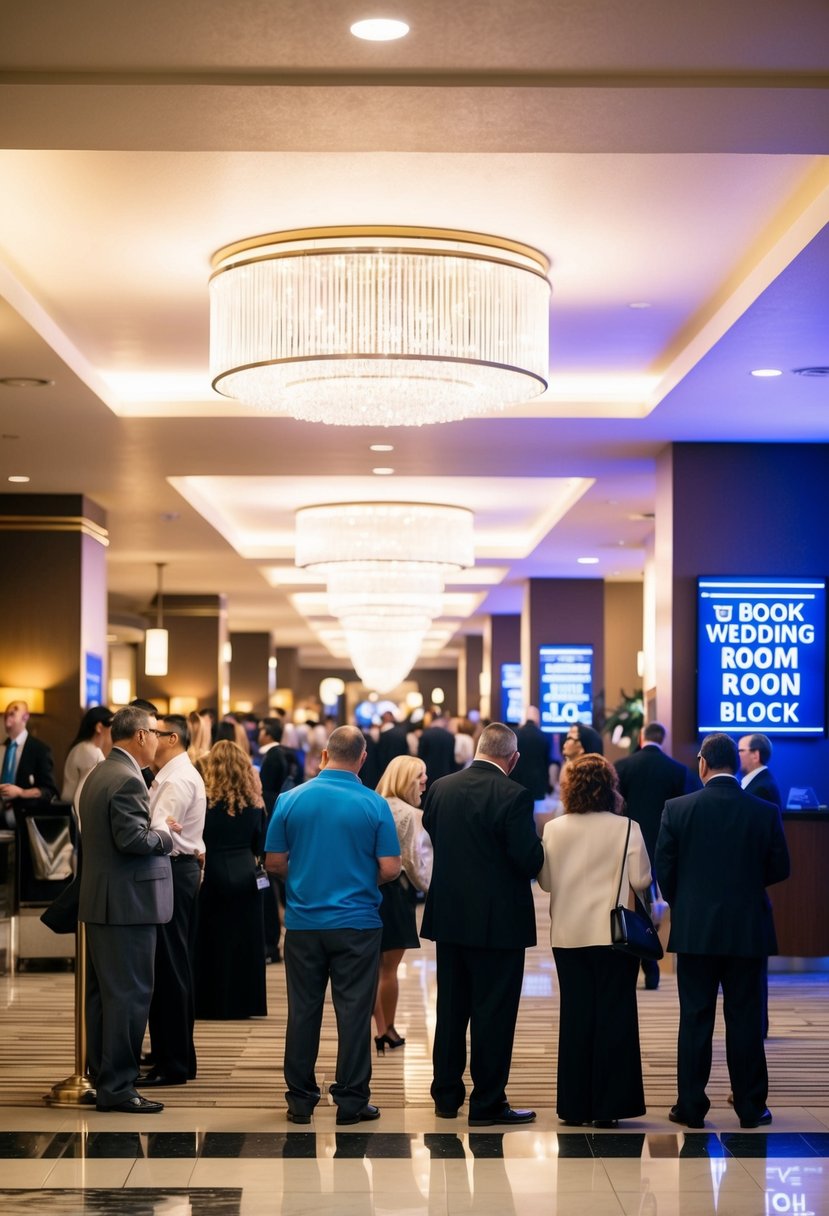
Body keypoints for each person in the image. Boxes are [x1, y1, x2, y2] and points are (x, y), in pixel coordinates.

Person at [265, 725, 400, 1125]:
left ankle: (301, 1100)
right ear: (362, 759)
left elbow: (273, 862)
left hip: (304, 923)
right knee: (354, 1012)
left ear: (324, 755)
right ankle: (352, 1100)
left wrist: (307, 877)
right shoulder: (375, 804)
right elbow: (391, 868)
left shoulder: (290, 799)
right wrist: (359, 879)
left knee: (303, 1011)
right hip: (357, 923)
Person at [655, 732, 790, 1130]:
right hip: (748, 930)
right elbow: (781, 868)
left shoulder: (677, 809)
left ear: (702, 764)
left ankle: (691, 1107)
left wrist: (689, 903)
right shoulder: (764, 811)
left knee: (695, 1017)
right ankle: (751, 1107)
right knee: (745, 1017)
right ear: (736, 762)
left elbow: (665, 871)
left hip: (695, 931)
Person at [421, 721, 543, 1126]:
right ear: (513, 758)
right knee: (493, 1012)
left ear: (477, 747)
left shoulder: (440, 787)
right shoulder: (514, 794)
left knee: (451, 1008)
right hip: (499, 923)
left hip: (450, 916)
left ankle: (446, 1095)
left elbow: (431, 830)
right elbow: (528, 859)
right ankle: (488, 1101)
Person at [538, 753, 651, 1127]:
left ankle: (574, 1106)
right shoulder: (627, 827)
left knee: (576, 1016)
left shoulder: (555, 829)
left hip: (568, 934)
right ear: (610, 787)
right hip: (614, 936)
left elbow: (547, 883)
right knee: (615, 1016)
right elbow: (642, 880)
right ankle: (609, 1108)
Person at [77, 704, 174, 1114]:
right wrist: (166, 835)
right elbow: (133, 840)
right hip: (128, 906)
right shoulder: (127, 780)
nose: (159, 740)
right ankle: (118, 1087)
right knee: (131, 998)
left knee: (106, 998)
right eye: (156, 733)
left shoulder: (101, 772)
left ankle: (103, 1078)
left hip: (104, 901)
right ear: (139, 736)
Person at [140, 714, 206, 1087]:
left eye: (155, 732)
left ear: (172, 738)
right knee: (169, 966)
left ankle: (175, 1062)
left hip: (173, 870)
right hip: (177, 869)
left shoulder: (178, 778)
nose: (149, 738)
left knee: (170, 968)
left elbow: (156, 830)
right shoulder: (170, 776)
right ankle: (171, 1055)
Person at [614, 721, 696, 990]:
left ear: (640, 737)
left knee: (632, 906)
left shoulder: (623, 767)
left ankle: (635, 962)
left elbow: (614, 807)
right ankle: (653, 965)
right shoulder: (677, 770)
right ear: (663, 739)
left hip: (627, 843)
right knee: (655, 906)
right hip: (663, 845)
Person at [194, 741, 267, 1020]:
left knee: (211, 941)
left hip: (211, 873)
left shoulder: (205, 802)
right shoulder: (254, 803)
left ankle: (210, 1002)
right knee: (245, 942)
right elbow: (260, 843)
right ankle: (245, 1002)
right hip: (246, 875)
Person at [373, 754, 432, 1053]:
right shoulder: (411, 814)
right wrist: (434, 889)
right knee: (389, 969)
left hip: (367, 890)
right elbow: (414, 862)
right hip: (396, 892)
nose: (424, 781)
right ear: (405, 778)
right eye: (420, 775)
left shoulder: (370, 803)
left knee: (369, 967)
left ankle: (379, 1026)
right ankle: (388, 1029)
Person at [1, 699, 59, 813]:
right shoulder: (2, 748)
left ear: (25, 717)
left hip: (24, 816)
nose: (9, 711)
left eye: (15, 709)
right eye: (7, 711)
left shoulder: (40, 750)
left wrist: (21, 793)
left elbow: (49, 791)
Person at [61, 706, 113, 804]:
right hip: (76, 812)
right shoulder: (89, 751)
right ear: (99, 727)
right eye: (111, 728)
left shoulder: (81, 747)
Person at [510, 706, 552, 807]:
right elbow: (549, 763)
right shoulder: (545, 736)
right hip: (538, 787)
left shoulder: (514, 734)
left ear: (525, 717)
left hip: (516, 786)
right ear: (538, 718)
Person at [738, 734, 782, 809]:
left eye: (740, 751)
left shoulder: (761, 789)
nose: (736, 755)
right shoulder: (761, 782)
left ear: (755, 755)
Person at [418, 710, 458, 788]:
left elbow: (420, 757)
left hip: (428, 774)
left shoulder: (425, 735)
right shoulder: (450, 736)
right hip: (445, 773)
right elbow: (451, 758)